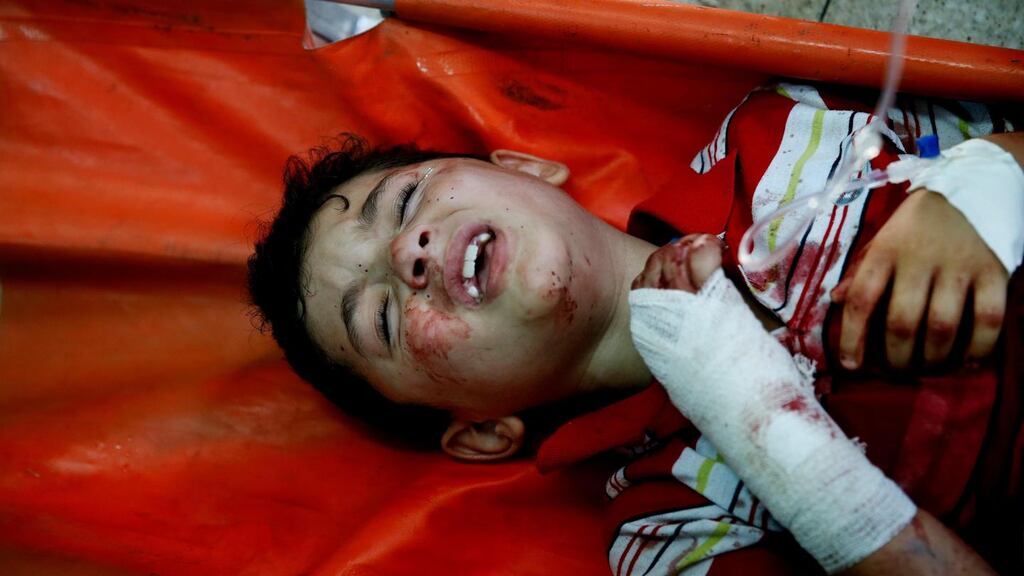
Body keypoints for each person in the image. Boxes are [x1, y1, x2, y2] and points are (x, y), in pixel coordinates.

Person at [247, 83, 1024, 574]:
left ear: (523, 168)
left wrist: (990, 178)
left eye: (405, 201)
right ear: (483, 432)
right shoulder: (666, 536)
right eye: (382, 316)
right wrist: (756, 420)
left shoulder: (781, 128)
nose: (406, 254)